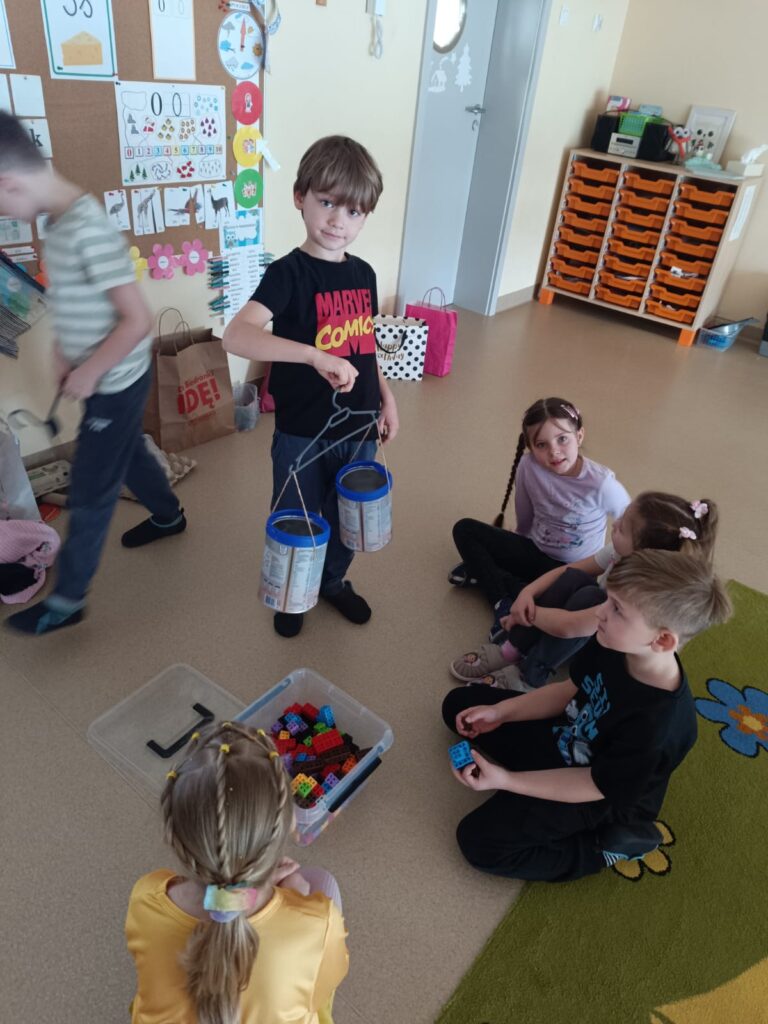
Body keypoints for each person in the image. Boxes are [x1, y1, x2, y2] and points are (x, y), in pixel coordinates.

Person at [0, 112, 185, 637]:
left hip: (117, 379)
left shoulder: (88, 229)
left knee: (90, 487)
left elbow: (137, 320)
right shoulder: (57, 225)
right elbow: (75, 302)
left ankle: (68, 600)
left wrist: (93, 370)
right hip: (101, 375)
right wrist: (65, 351)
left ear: (9, 184)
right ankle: (169, 515)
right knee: (125, 453)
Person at [441, 549, 732, 882]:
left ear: (662, 640)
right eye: (609, 600)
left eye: (617, 609)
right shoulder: (614, 642)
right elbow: (569, 690)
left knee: (479, 842)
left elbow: (593, 784)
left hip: (597, 793)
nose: (600, 612)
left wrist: (507, 781)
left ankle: (602, 848)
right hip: (565, 737)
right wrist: (501, 712)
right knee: (460, 706)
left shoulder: (659, 725)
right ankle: (523, 778)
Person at [223, 135, 398, 639]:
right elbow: (237, 335)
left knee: (348, 517)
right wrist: (313, 355)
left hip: (359, 428)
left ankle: (332, 582)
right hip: (302, 431)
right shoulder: (287, 274)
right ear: (300, 197)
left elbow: (363, 348)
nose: (339, 220)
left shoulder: (364, 274)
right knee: (298, 516)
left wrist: (385, 398)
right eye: (327, 202)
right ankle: (293, 593)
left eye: (354, 211)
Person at [126, 721, 348, 1024]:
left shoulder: (146, 896)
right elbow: (324, 987)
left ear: (175, 837)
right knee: (323, 881)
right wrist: (296, 899)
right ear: (286, 825)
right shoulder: (317, 923)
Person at [451, 492, 719, 689]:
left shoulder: (639, 596)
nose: (614, 524)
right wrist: (527, 594)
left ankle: (529, 676)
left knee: (589, 596)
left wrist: (525, 614)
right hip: (585, 624)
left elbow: (570, 626)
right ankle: (512, 648)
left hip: (605, 643)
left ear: (640, 553)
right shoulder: (620, 553)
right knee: (574, 579)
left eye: (623, 528)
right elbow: (571, 570)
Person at [450, 397, 629, 642]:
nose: (554, 451)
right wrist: (513, 544)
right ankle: (502, 601)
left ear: (579, 436)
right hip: (535, 551)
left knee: (573, 604)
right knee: (464, 529)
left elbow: (631, 527)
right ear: (530, 447)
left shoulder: (602, 483)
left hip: (574, 571)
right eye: (541, 445)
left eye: (562, 439)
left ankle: (489, 577)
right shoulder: (528, 466)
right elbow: (524, 514)